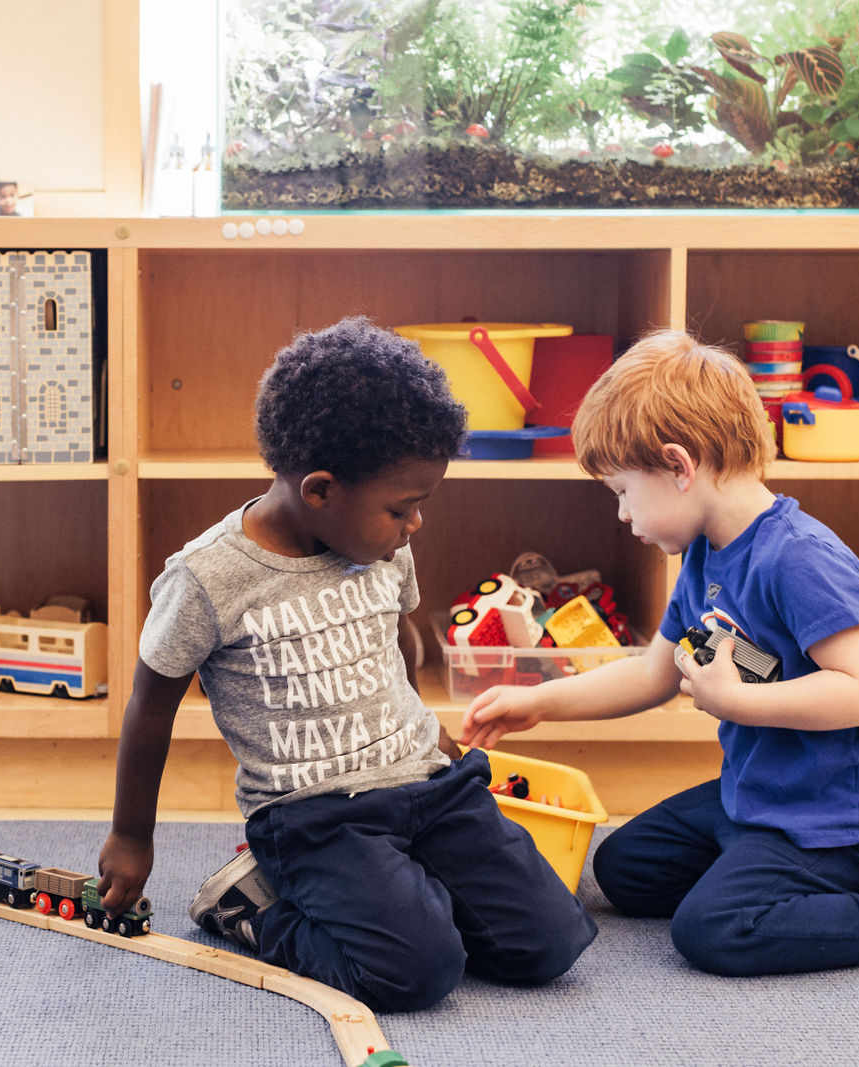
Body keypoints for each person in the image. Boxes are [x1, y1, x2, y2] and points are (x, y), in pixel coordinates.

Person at [460, 330, 859, 975]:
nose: (622, 514)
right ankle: (792, 879)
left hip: (833, 817)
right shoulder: (705, 553)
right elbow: (653, 672)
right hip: (757, 795)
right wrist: (539, 701)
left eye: (623, 491)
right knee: (625, 870)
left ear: (679, 467)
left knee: (714, 931)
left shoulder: (799, 557)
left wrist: (734, 699)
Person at [96, 318, 597, 1012]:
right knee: (419, 973)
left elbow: (387, 647)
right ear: (321, 490)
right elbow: (149, 707)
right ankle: (256, 904)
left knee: (550, 943)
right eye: (403, 507)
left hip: (427, 782)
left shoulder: (382, 544)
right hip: (316, 815)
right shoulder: (207, 578)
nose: (415, 525)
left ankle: (398, 889)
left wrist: (424, 731)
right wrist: (130, 836)